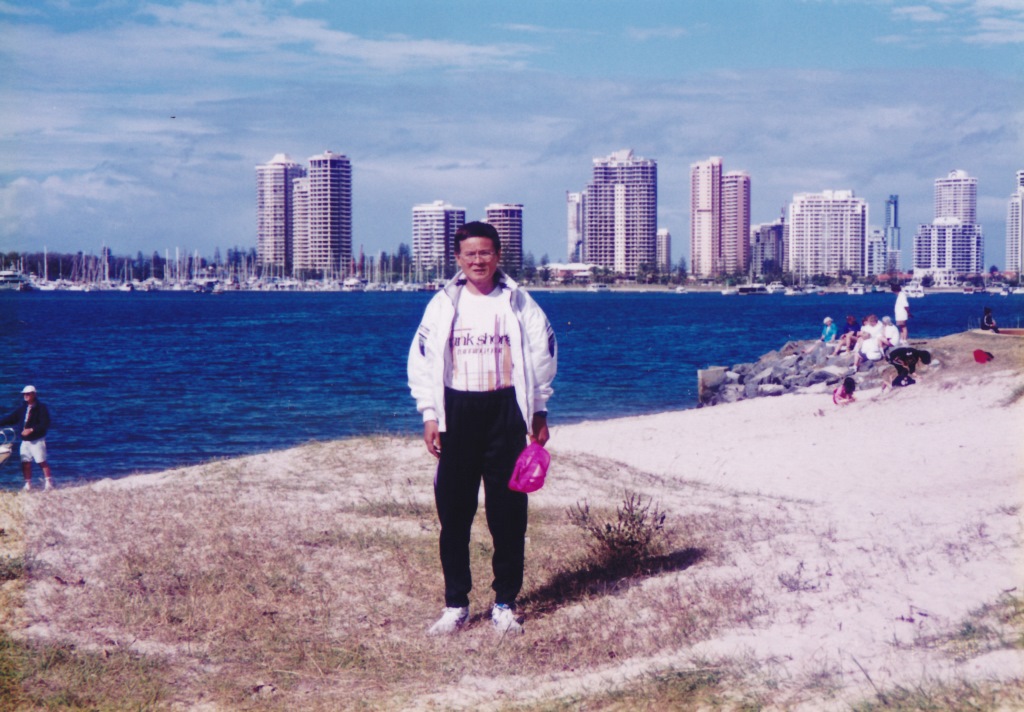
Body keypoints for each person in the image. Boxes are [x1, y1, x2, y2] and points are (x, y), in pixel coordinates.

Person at [408, 221, 557, 637]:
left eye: (486, 252)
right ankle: (456, 604)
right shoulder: (443, 304)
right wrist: (430, 414)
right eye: (470, 254)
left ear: (498, 256)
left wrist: (538, 411)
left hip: (506, 411)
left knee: (508, 514)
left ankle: (505, 602)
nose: (478, 260)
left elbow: (543, 357)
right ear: (458, 258)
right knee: (454, 513)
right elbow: (422, 362)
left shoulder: (518, 302)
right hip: (457, 412)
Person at [0, 385, 54, 491]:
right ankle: (28, 485)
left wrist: (31, 430)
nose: (26, 396)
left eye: (28, 394)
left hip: (37, 440)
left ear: (34, 394)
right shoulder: (23, 408)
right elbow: (11, 418)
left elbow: (45, 423)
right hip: (25, 441)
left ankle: (48, 483)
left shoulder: (41, 408)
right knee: (25, 462)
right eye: (24, 394)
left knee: (41, 461)